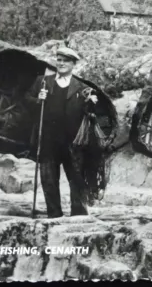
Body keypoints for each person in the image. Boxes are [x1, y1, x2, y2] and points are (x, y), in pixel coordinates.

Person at [25, 46, 99, 218]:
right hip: (48, 140)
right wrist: (37, 100)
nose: (61, 63)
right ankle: (54, 214)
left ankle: (79, 214)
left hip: (73, 142)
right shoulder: (42, 81)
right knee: (49, 180)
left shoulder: (82, 87)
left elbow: (92, 115)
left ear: (73, 64)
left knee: (77, 180)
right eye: (59, 60)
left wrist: (92, 103)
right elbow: (25, 100)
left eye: (66, 61)